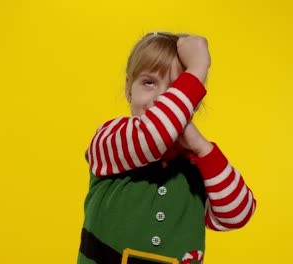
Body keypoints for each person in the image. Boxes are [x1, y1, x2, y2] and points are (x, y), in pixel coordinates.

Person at [77, 32, 257, 264]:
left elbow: (237, 215)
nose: (161, 98)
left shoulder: (196, 164)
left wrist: (202, 148)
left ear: (191, 100)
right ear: (128, 88)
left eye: (175, 87)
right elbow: (154, 136)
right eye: (149, 83)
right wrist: (198, 67)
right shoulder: (110, 139)